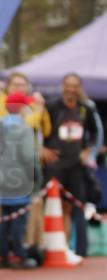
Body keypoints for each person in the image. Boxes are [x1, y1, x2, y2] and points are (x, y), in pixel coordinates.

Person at [41, 72, 98, 257]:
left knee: (78, 206)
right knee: (56, 206)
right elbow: (36, 130)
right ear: (62, 86)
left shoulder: (85, 109)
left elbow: (96, 133)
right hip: (55, 164)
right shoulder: (51, 107)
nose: (70, 89)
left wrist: (87, 151)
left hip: (76, 165)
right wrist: (42, 149)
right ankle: (56, 247)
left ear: (79, 88)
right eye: (67, 85)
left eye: (75, 86)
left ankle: (81, 250)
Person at [0, 92, 38, 268]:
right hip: (21, 179)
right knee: (19, 218)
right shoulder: (24, 129)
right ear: (21, 108)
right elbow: (28, 155)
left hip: (2, 178)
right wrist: (35, 176)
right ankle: (19, 255)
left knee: (5, 217)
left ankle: (1, 256)